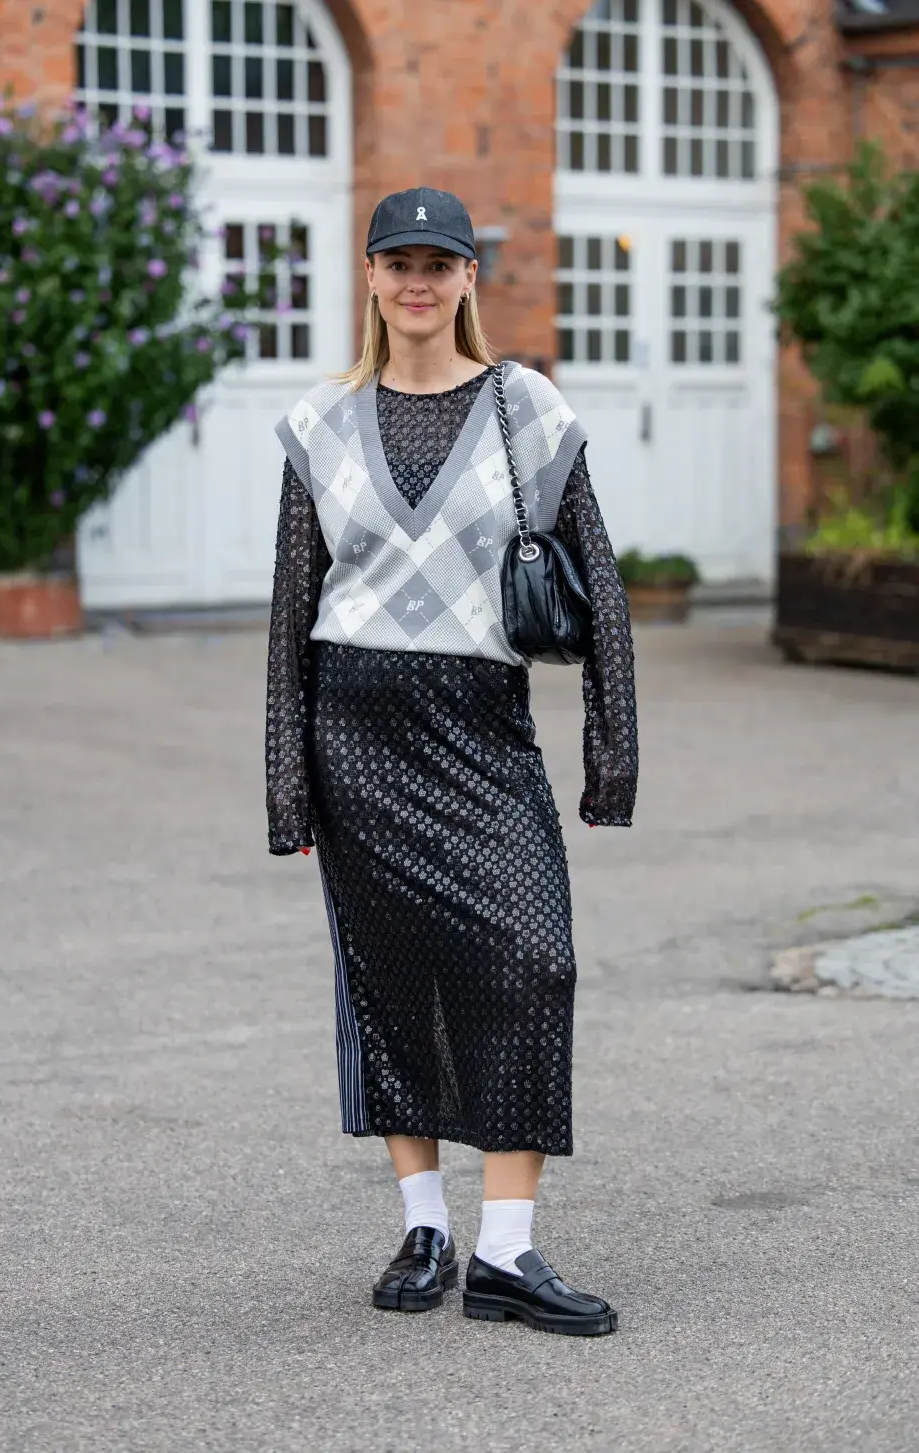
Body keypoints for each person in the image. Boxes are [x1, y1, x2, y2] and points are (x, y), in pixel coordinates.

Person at [265, 187, 638, 1337]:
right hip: (356, 732)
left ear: (470, 278)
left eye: (441, 262)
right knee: (390, 985)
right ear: (370, 278)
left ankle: (509, 1253)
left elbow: (603, 584)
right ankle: (425, 1223)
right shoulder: (318, 423)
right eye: (398, 262)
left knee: (533, 962)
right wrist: (287, 782)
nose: (418, 281)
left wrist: (611, 750)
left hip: (482, 726)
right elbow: (289, 615)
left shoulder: (528, 407)